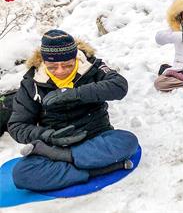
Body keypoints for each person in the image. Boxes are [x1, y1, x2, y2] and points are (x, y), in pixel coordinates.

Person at [8, 29, 138, 191]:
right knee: (22, 175)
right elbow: (17, 126)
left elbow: (119, 86)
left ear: (76, 57)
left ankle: (70, 162)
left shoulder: (93, 67)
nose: (61, 71)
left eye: (68, 65)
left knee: (128, 141)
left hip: (96, 138)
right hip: (55, 145)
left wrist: (73, 94)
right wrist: (48, 136)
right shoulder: (31, 84)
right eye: (53, 67)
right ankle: (97, 169)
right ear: (44, 61)